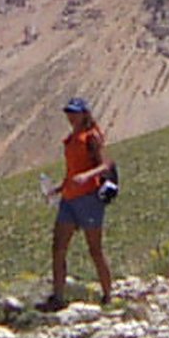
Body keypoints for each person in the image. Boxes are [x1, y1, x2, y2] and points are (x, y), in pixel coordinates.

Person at [46, 98, 114, 309]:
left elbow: (106, 165)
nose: (71, 116)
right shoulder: (71, 138)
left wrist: (86, 176)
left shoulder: (91, 137)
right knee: (58, 247)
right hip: (69, 198)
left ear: (84, 113)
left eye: (75, 112)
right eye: (68, 112)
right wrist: (59, 188)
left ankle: (108, 294)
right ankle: (57, 296)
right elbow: (71, 171)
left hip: (89, 198)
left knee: (94, 249)